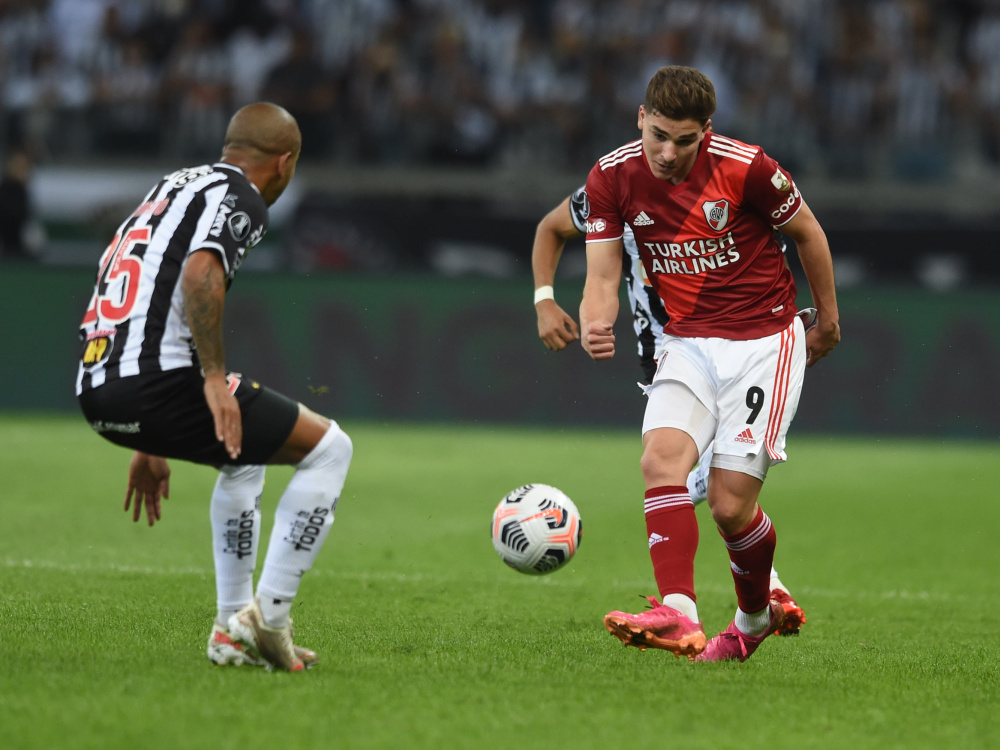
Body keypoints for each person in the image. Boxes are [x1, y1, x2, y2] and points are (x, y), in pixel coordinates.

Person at [75, 102, 353, 672]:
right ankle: (267, 620)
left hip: (99, 384)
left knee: (241, 457)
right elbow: (201, 273)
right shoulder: (244, 196)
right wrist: (210, 379)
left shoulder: (170, 187)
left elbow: (126, 273)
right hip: (155, 382)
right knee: (329, 449)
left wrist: (148, 438)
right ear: (284, 162)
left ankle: (232, 628)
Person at [578, 66, 839, 662]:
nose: (668, 153)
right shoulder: (612, 176)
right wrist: (597, 318)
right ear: (640, 119)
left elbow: (810, 235)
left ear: (706, 132)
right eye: (659, 136)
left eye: (685, 140)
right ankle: (679, 611)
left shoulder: (748, 169)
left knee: (728, 505)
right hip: (689, 340)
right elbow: (601, 276)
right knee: (660, 459)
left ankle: (752, 620)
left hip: (764, 341)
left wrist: (827, 320)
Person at [532, 185, 806, 636]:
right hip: (667, 351)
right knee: (678, 471)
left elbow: (788, 236)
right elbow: (550, 227)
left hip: (739, 344)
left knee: (721, 489)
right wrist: (544, 298)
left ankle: (757, 600)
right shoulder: (613, 190)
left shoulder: (726, 183)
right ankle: (748, 600)